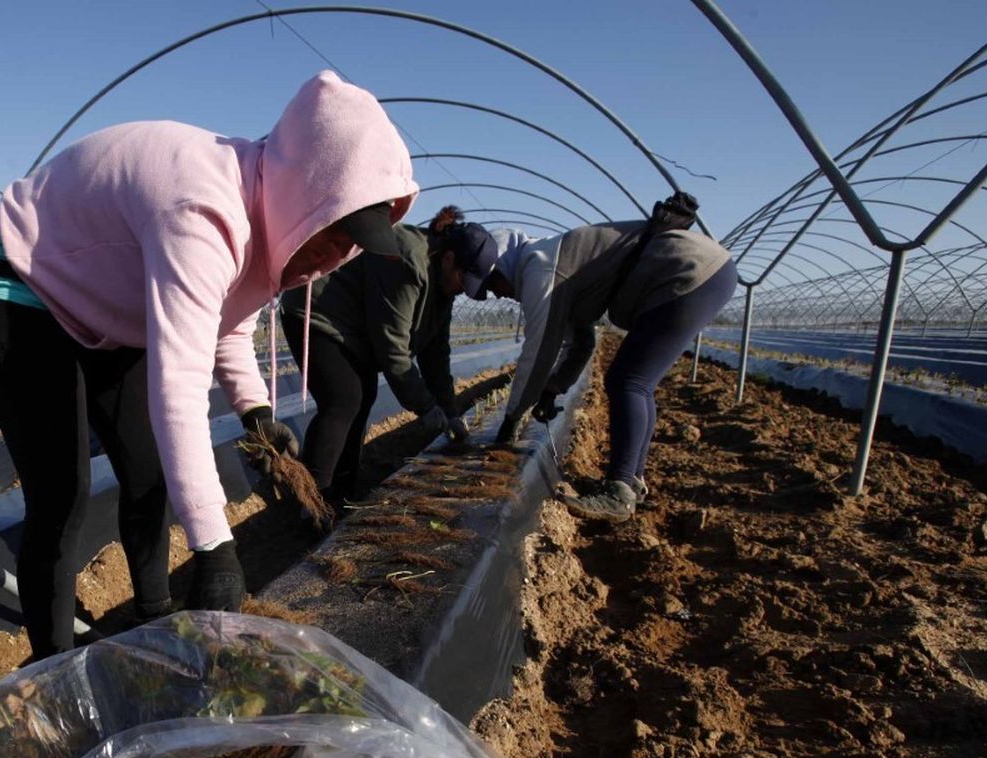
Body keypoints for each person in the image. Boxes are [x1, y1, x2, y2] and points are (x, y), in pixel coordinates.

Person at [0, 71, 418, 658]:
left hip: (110, 310)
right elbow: (179, 387)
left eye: (354, 239)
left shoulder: (268, 214)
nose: (339, 250)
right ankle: (54, 668)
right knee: (61, 496)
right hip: (27, 287)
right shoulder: (202, 210)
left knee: (148, 472)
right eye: (337, 229)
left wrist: (256, 413)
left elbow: (228, 323)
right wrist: (215, 549)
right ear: (307, 195)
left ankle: (154, 621)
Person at [487, 193, 736, 521]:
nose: (496, 293)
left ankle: (618, 492)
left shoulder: (542, 269)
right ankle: (629, 481)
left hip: (688, 270)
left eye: (493, 282)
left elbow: (539, 352)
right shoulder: (558, 266)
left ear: (504, 266)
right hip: (705, 270)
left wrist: (511, 421)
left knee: (628, 381)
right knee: (637, 383)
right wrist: (553, 388)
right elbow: (582, 343)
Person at [277, 207, 499, 509]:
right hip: (318, 311)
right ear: (449, 259)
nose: (463, 290)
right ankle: (311, 503)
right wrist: (426, 408)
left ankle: (341, 494)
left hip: (354, 329)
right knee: (344, 399)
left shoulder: (444, 286)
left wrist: (450, 411)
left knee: (364, 396)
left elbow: (436, 354)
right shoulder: (408, 259)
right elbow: (392, 348)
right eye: (464, 280)